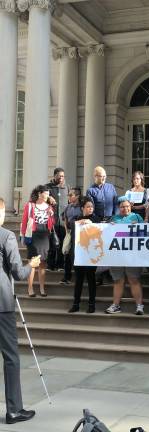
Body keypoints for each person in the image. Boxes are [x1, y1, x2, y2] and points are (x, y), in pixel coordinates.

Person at [0, 197, 40, 424]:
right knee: (11, 358)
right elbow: (18, 273)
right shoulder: (6, 236)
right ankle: (14, 409)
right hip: (2, 303)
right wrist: (31, 266)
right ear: (2, 212)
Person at [105, 197, 144, 315]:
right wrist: (109, 226)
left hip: (133, 255)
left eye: (127, 206)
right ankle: (116, 305)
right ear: (118, 208)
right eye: (122, 207)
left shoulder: (137, 217)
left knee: (134, 280)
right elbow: (106, 235)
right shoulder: (114, 218)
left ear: (130, 207)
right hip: (117, 255)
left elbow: (146, 233)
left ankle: (139, 306)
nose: (125, 208)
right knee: (118, 281)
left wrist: (138, 226)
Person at [68, 197, 101, 313]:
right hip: (79, 255)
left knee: (91, 279)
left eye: (92, 207)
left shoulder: (96, 218)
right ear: (82, 208)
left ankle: (92, 304)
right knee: (79, 280)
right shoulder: (77, 218)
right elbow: (69, 225)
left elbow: (102, 230)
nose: (90, 209)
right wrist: (79, 222)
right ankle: (76, 304)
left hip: (91, 255)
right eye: (88, 207)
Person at [21, 185, 55, 297]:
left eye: (48, 193)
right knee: (33, 262)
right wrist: (23, 235)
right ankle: (30, 288)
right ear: (40, 194)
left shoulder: (49, 207)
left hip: (45, 235)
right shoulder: (30, 205)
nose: (48, 195)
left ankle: (42, 288)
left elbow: (52, 223)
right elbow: (24, 221)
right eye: (46, 193)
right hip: (33, 235)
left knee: (43, 263)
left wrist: (52, 215)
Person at [46, 168, 70, 271]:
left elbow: (70, 202)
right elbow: (40, 198)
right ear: (54, 176)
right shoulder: (47, 187)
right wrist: (48, 198)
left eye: (63, 176)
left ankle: (60, 265)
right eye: (59, 176)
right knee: (52, 243)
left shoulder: (67, 187)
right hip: (52, 220)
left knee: (61, 244)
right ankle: (50, 265)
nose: (61, 178)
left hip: (63, 221)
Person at [61, 188, 82, 285]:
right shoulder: (67, 207)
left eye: (71, 195)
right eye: (68, 195)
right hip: (69, 233)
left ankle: (79, 276)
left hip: (79, 234)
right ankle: (66, 276)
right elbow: (65, 219)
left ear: (77, 196)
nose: (68, 197)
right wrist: (66, 231)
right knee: (67, 253)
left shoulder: (82, 207)